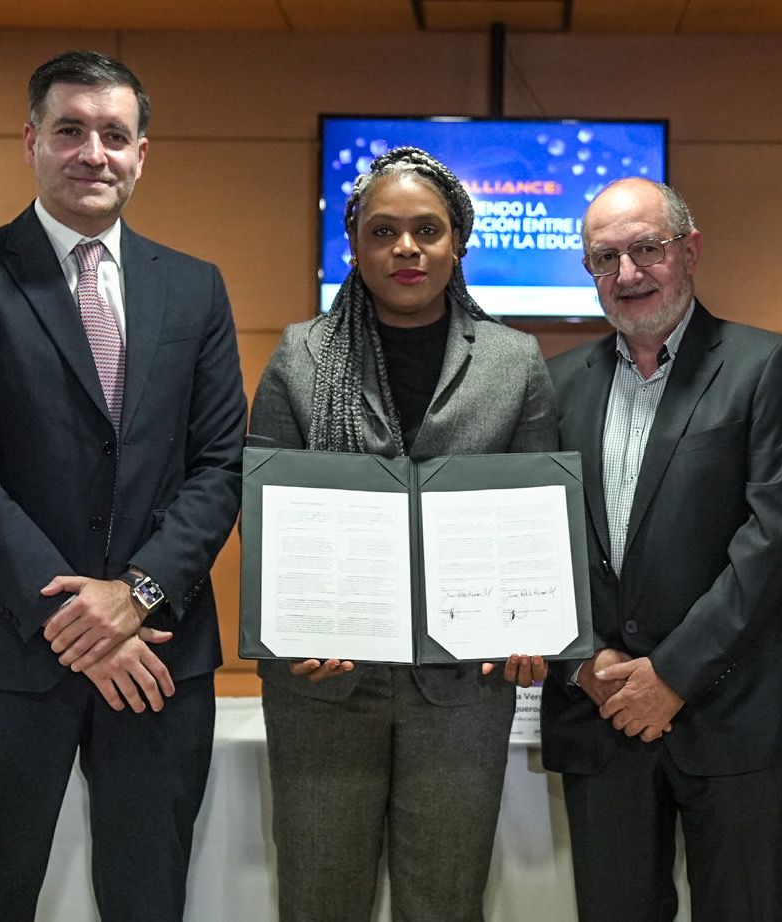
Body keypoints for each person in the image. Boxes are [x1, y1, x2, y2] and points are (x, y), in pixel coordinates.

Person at [0, 50, 247, 921]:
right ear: (31, 142)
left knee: (148, 899)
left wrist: (134, 594)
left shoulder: (196, 289)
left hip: (158, 655)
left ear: (141, 155)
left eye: (114, 135)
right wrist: (75, 616)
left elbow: (218, 468)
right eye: (70, 131)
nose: (93, 152)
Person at [248, 146, 557, 921]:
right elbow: (271, 517)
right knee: (320, 900)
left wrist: (532, 623)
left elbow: (537, 517)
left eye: (427, 230)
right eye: (384, 232)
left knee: (446, 902)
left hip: (461, 684)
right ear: (354, 246)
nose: (406, 249)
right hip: (323, 683)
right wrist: (293, 628)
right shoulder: (301, 355)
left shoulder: (516, 362)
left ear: (459, 243)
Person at [540, 177, 782, 922]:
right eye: (605, 258)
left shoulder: (765, 366)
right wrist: (584, 661)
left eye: (646, 249)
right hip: (601, 712)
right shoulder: (556, 385)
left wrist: (671, 673)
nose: (627, 274)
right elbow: (541, 544)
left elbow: (776, 539)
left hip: (733, 710)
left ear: (689, 251)